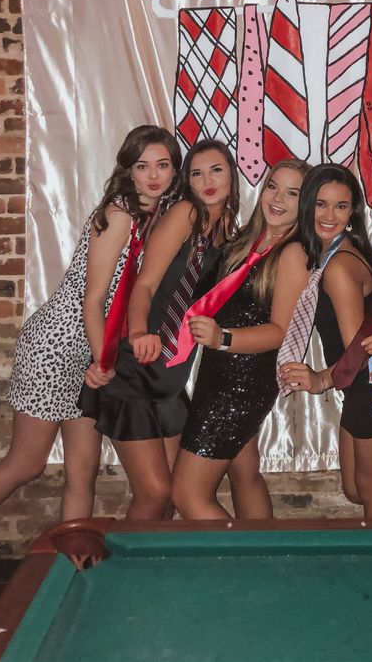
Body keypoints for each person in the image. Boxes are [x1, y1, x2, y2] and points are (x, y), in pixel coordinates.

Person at [0, 125, 179, 617]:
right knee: (26, 463)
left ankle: (73, 575)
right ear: (128, 169)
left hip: (88, 351)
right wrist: (102, 360)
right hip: (58, 346)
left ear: (173, 169)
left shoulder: (153, 216)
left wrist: (101, 358)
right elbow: (92, 297)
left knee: (81, 468)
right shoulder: (120, 214)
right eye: (142, 165)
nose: (153, 175)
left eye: (163, 164)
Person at [79, 140, 239, 522]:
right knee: (154, 492)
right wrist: (138, 333)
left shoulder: (225, 234)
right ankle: (122, 576)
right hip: (136, 365)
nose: (207, 181)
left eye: (216, 170)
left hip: (170, 375)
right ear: (187, 182)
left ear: (232, 174)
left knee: (172, 496)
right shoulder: (185, 213)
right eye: (197, 173)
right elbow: (143, 285)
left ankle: (154, 569)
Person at [172, 160, 310, 520]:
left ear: (306, 202)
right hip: (219, 372)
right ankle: (266, 555)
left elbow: (280, 331)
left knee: (187, 495)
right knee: (243, 472)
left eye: (292, 193)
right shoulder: (247, 240)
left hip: (242, 381)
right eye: (272, 186)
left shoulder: (292, 252)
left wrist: (222, 338)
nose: (277, 198)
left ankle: (248, 569)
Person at [278, 164, 372, 520]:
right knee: (356, 489)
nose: (330, 215)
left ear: (353, 212)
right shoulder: (336, 252)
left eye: (341, 206)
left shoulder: (339, 267)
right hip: (359, 387)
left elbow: (358, 353)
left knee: (371, 491)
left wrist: (319, 380)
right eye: (321, 204)